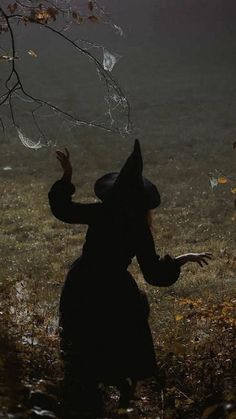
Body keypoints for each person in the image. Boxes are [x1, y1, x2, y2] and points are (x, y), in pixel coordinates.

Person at [48, 140, 211, 416]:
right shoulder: (138, 228)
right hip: (114, 289)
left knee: (82, 343)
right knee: (120, 336)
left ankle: (84, 397)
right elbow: (154, 274)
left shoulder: (101, 212)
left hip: (84, 283)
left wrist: (67, 176)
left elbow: (64, 209)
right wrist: (183, 259)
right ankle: (120, 395)